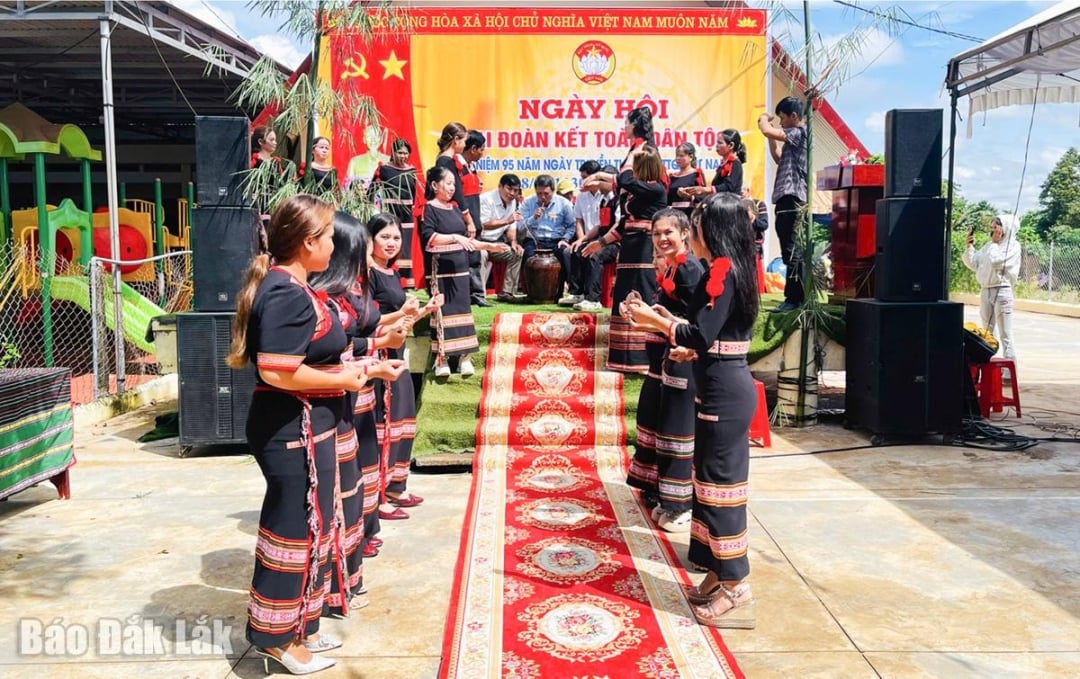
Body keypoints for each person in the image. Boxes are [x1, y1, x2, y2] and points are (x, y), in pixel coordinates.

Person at [227, 195, 368, 674]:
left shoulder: (293, 287)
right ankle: (273, 638)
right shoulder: (286, 292)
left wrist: (358, 367)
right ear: (309, 243)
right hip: (291, 429)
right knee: (293, 530)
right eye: (328, 236)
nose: (333, 245)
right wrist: (342, 381)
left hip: (309, 426)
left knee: (314, 527)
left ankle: (300, 625)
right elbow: (277, 370)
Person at [625, 192, 760, 630]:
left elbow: (699, 333)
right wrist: (674, 332)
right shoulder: (726, 269)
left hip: (725, 391)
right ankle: (718, 572)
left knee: (722, 488)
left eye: (696, 225)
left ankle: (738, 587)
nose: (691, 232)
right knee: (707, 481)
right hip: (715, 383)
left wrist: (656, 322)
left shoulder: (725, 269)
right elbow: (711, 337)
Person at [308, 210, 409, 609]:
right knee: (336, 496)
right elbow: (285, 369)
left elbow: (355, 338)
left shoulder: (338, 293)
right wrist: (366, 364)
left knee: (354, 484)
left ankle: (349, 564)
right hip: (327, 408)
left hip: (348, 397)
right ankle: (325, 591)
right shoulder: (306, 296)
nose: (373, 255)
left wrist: (379, 346)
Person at [625, 208, 703, 533]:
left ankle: (680, 505)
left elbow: (696, 325)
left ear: (685, 233)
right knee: (656, 421)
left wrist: (657, 319)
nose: (662, 239)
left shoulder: (689, 269)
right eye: (657, 234)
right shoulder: (672, 268)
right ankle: (661, 493)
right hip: (664, 357)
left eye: (668, 233)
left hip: (684, 359)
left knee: (676, 431)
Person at [367, 212, 443, 515]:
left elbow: (403, 318)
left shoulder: (390, 271)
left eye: (396, 237)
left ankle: (396, 485)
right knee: (384, 424)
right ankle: (379, 496)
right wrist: (403, 312)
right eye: (384, 237)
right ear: (370, 239)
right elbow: (369, 321)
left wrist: (424, 310)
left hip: (396, 353)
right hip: (379, 356)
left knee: (402, 421)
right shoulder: (367, 274)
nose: (391, 242)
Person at [582, 142, 667, 373]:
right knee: (623, 294)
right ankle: (622, 358)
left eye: (636, 163)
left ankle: (643, 358)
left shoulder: (656, 189)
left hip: (645, 247)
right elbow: (622, 225)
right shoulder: (633, 191)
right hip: (628, 247)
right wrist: (598, 243)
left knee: (642, 293)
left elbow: (626, 178)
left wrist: (631, 157)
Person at [422, 165, 506, 377]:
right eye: (448, 183)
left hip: (460, 269)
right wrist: (454, 238)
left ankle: (464, 357)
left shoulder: (456, 208)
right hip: (440, 270)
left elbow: (467, 242)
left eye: (453, 184)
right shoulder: (428, 209)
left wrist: (488, 246)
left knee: (462, 311)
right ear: (434, 185)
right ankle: (441, 359)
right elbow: (429, 239)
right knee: (443, 311)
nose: (452, 188)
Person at [759, 98, 807, 312]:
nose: (780, 123)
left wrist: (763, 119)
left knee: (792, 251)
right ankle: (793, 298)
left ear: (794, 116)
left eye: (782, 118)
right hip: (786, 198)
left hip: (792, 197)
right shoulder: (793, 140)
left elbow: (767, 130)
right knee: (789, 250)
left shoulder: (800, 132)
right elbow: (778, 157)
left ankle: (794, 299)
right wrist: (770, 138)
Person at [435, 124, 490, 307]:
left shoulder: (457, 163)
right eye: (464, 140)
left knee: (473, 256)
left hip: (468, 214)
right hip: (459, 216)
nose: (465, 144)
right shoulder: (446, 162)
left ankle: (474, 295)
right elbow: (457, 194)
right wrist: (468, 219)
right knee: (467, 256)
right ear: (455, 140)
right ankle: (469, 295)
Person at [963, 214, 1021, 359]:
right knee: (986, 333)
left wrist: (995, 244)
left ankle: (1008, 372)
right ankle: (990, 367)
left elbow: (997, 262)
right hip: (986, 290)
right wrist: (969, 247)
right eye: (992, 227)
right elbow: (973, 263)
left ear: (1006, 228)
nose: (993, 230)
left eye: (996, 227)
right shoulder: (989, 246)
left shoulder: (1013, 246)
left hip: (1002, 291)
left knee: (1005, 334)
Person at [367, 138, 421, 286]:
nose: (403, 156)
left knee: (405, 248)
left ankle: (406, 282)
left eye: (405, 153)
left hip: (407, 215)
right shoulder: (384, 169)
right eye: (400, 152)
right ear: (393, 152)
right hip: (391, 213)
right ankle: (388, 277)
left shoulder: (411, 171)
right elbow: (371, 191)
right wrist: (369, 208)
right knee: (389, 246)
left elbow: (415, 192)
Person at [521, 174, 576, 300]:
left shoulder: (564, 204)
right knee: (528, 255)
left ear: (553, 190)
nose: (542, 197)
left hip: (556, 239)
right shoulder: (529, 202)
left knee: (565, 253)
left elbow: (571, 226)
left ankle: (566, 291)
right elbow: (521, 226)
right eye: (539, 193)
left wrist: (565, 239)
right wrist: (533, 218)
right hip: (535, 238)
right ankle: (531, 292)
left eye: (546, 193)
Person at [566, 160, 609, 310]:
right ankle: (576, 293)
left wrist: (584, 240)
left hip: (603, 237)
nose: (583, 181)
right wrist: (580, 239)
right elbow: (579, 220)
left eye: (585, 178)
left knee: (592, 253)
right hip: (587, 236)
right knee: (574, 250)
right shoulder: (581, 197)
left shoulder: (605, 196)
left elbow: (600, 225)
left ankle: (593, 299)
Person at [478, 173, 526, 302]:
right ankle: (479, 295)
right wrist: (507, 220)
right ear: (500, 186)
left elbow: (512, 227)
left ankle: (507, 293)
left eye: (515, 190)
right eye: (509, 189)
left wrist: (514, 242)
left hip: (496, 243)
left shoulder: (514, 203)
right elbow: (483, 224)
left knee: (517, 253)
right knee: (481, 255)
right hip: (479, 242)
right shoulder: (486, 199)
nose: (512, 193)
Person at [667, 142, 707, 218]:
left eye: (681, 156)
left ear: (691, 157)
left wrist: (690, 195)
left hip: (690, 215)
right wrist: (677, 193)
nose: (678, 158)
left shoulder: (696, 174)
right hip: (674, 215)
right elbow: (668, 198)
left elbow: (702, 196)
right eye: (677, 156)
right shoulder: (672, 176)